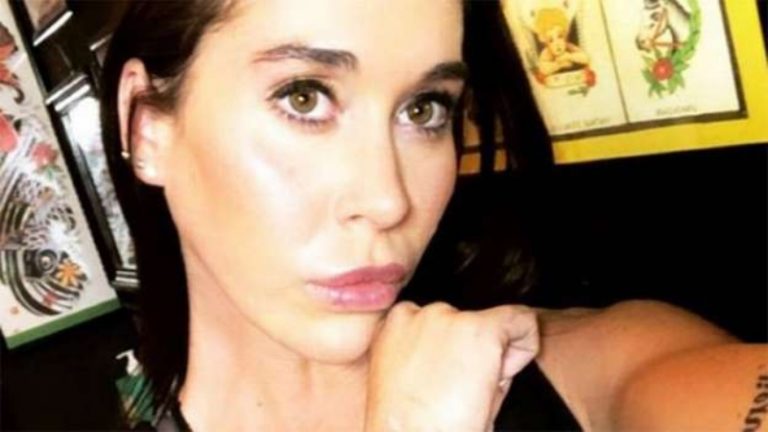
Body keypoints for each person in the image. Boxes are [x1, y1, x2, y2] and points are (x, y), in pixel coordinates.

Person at [99, 1, 757, 431]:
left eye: (424, 109)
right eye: (304, 97)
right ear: (147, 126)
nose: (389, 199)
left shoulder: (595, 370)